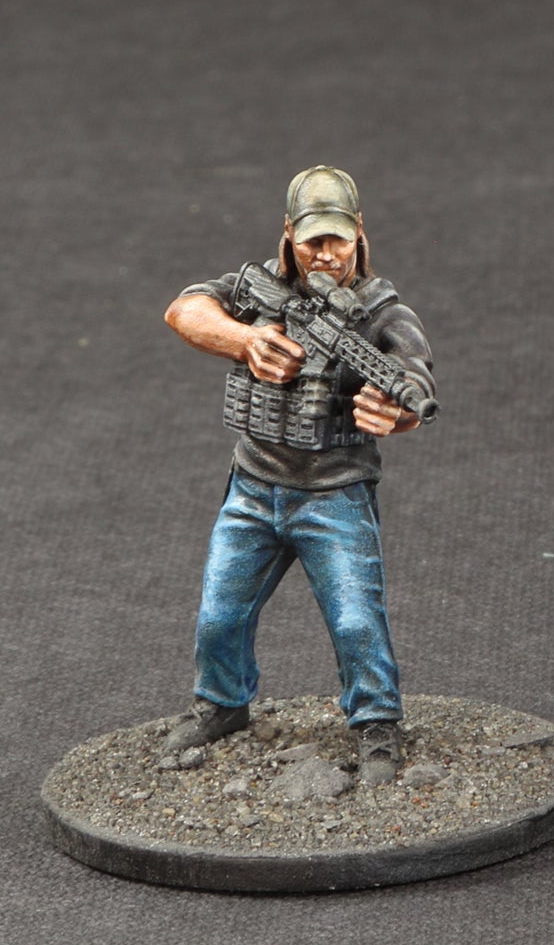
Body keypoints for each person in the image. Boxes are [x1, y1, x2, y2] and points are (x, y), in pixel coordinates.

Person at [160, 165, 436, 783]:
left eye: (338, 238)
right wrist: (245, 341)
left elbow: (415, 376)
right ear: (289, 233)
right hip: (254, 487)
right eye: (313, 240)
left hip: (335, 495)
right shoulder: (256, 288)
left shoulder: (382, 314)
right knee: (219, 615)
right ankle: (222, 703)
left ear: (359, 232)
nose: (326, 254)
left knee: (356, 620)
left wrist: (397, 413)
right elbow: (184, 309)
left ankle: (376, 723)